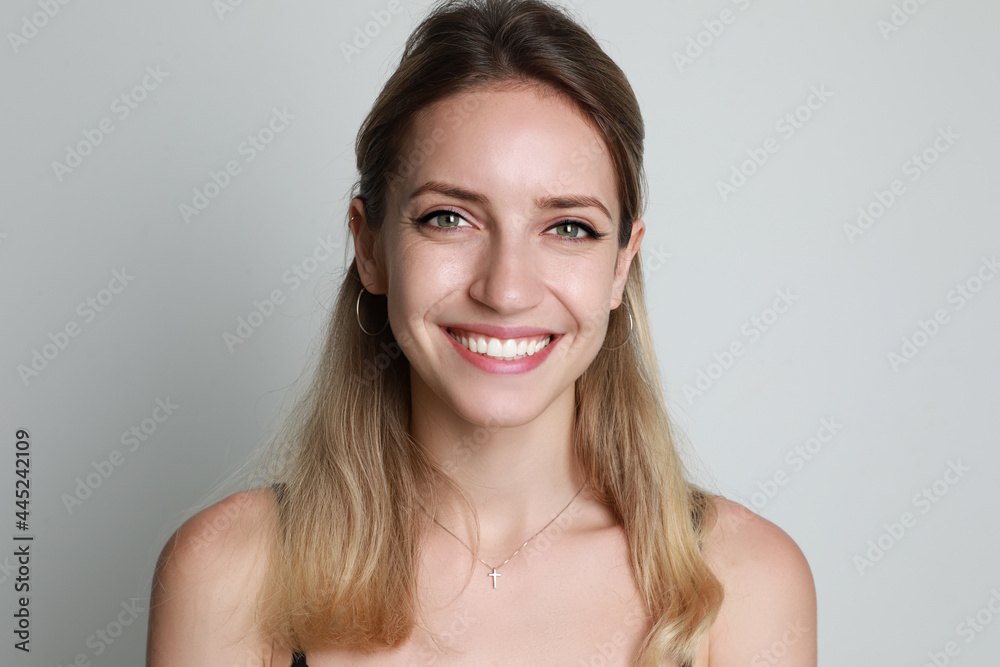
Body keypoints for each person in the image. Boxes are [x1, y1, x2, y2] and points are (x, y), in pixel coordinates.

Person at [146, 0, 817, 665]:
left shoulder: (744, 580)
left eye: (568, 227)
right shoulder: (228, 574)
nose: (506, 289)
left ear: (621, 265)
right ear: (370, 246)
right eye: (449, 217)